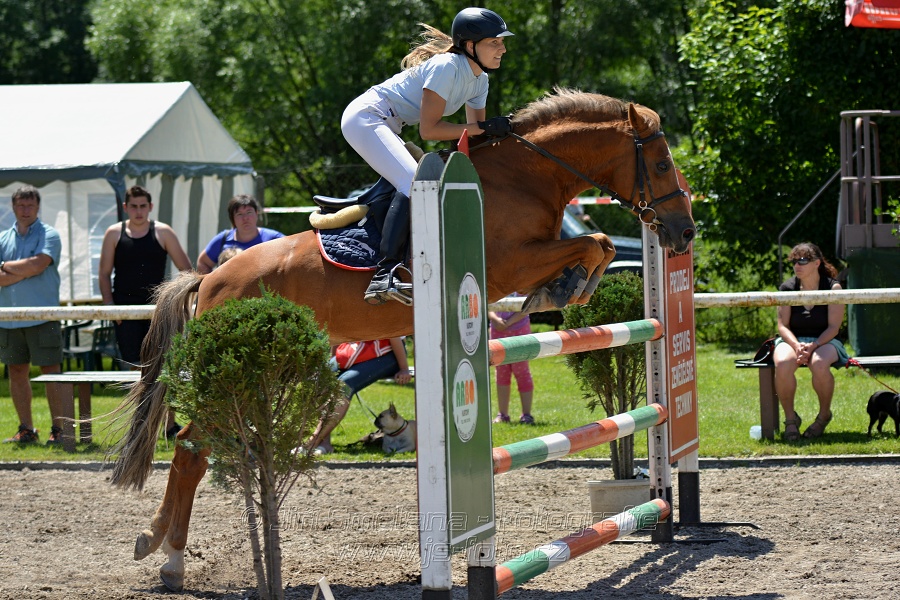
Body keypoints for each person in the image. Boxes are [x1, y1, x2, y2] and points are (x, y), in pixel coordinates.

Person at [341, 7, 514, 305]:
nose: (503, 48)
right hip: (367, 117)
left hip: (390, 124)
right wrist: (482, 128)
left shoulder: (480, 80)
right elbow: (429, 130)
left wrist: (503, 131)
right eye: (494, 42)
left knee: (420, 180)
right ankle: (384, 274)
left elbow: (475, 134)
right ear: (470, 45)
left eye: (502, 42)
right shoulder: (447, 66)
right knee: (413, 182)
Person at [98, 185, 193, 437]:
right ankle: (140, 423)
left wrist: (178, 304)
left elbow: (187, 271)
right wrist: (110, 308)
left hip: (159, 311)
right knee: (135, 367)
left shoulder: (163, 232)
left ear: (150, 207)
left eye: (143, 206)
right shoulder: (113, 233)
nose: (138, 211)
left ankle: (169, 424)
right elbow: (104, 274)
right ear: (125, 207)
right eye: (134, 206)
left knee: (165, 366)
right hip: (125, 311)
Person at [0, 185, 72, 445]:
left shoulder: (49, 234)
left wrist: (6, 266)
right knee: (17, 371)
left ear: (38, 207)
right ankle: (26, 429)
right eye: (21, 205)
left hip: (43, 315)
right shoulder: (2, 238)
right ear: (13, 207)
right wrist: (26, 269)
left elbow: (40, 264)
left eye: (30, 205)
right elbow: (29, 268)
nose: (25, 210)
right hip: (9, 318)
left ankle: (59, 430)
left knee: (51, 372)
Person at [774, 242, 849, 440]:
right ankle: (790, 420)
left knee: (819, 363)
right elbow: (782, 326)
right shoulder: (787, 288)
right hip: (793, 340)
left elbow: (833, 327)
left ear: (817, 263)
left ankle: (823, 416)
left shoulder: (833, 288)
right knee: (782, 363)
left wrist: (814, 346)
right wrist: (797, 346)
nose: (797, 265)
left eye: (802, 261)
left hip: (826, 340)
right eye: (794, 261)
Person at [309, 337, 411, 454]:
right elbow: (339, 332)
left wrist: (404, 368)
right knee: (323, 379)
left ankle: (311, 443)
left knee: (344, 386)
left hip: (388, 352)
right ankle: (324, 443)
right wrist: (333, 363)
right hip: (355, 349)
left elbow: (394, 335)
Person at [196, 194, 283, 274]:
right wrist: (214, 282)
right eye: (239, 214)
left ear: (256, 213)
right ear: (232, 218)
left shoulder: (274, 239)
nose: (245, 218)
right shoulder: (223, 239)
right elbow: (203, 263)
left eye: (249, 212)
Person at [488, 296, 535, 424]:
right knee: (501, 372)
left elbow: (527, 305)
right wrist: (495, 319)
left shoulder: (521, 287)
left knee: (522, 372)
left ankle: (526, 414)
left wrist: (508, 323)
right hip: (497, 331)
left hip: (520, 331)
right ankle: (502, 414)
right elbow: (487, 303)